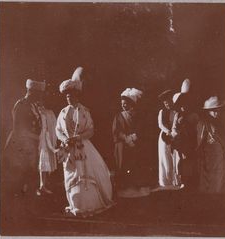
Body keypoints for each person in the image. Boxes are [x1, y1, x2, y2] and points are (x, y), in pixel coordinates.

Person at [56, 67, 113, 217]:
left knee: (87, 174)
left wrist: (79, 138)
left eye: (71, 95)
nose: (68, 98)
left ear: (76, 95)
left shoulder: (84, 111)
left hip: (83, 147)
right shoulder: (62, 113)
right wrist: (64, 139)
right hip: (69, 148)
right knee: (71, 175)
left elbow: (90, 130)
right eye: (66, 96)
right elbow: (58, 130)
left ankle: (89, 205)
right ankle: (76, 205)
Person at [2, 79, 45, 229]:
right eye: (38, 93)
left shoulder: (34, 106)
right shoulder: (21, 105)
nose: (40, 97)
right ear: (31, 92)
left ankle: (29, 213)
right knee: (19, 181)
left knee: (31, 179)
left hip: (32, 147)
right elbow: (19, 128)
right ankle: (17, 216)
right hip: (20, 148)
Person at [112, 88, 150, 197]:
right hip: (122, 144)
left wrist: (133, 137)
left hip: (135, 143)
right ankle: (124, 185)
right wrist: (125, 138)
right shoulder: (118, 116)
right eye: (122, 104)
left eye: (125, 104)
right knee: (123, 163)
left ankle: (136, 183)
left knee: (136, 162)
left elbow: (141, 129)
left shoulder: (138, 115)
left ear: (131, 104)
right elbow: (116, 130)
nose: (123, 105)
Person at [196, 96, 225, 194]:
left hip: (218, 151)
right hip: (209, 151)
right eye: (213, 111)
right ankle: (211, 192)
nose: (216, 113)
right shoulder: (204, 123)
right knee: (209, 172)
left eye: (218, 111)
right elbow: (201, 139)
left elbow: (223, 137)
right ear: (208, 111)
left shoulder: (220, 122)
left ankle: (217, 191)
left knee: (219, 172)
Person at [171, 92, 199, 189]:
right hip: (181, 141)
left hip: (191, 140)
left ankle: (192, 180)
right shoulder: (177, 115)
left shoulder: (193, 115)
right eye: (180, 104)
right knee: (182, 160)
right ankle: (183, 180)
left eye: (184, 103)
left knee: (191, 160)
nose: (183, 106)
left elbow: (198, 128)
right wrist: (175, 133)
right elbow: (173, 128)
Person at [36, 100, 58, 196]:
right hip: (36, 136)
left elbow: (49, 126)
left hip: (44, 137)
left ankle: (42, 185)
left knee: (44, 161)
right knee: (38, 161)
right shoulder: (35, 112)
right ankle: (38, 186)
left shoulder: (47, 113)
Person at [157, 89, 178, 189]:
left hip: (174, 135)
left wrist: (174, 133)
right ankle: (166, 180)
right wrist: (168, 132)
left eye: (169, 102)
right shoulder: (162, 112)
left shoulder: (176, 111)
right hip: (164, 136)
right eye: (165, 103)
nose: (167, 104)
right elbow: (160, 124)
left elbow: (176, 123)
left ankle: (175, 179)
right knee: (165, 157)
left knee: (174, 157)